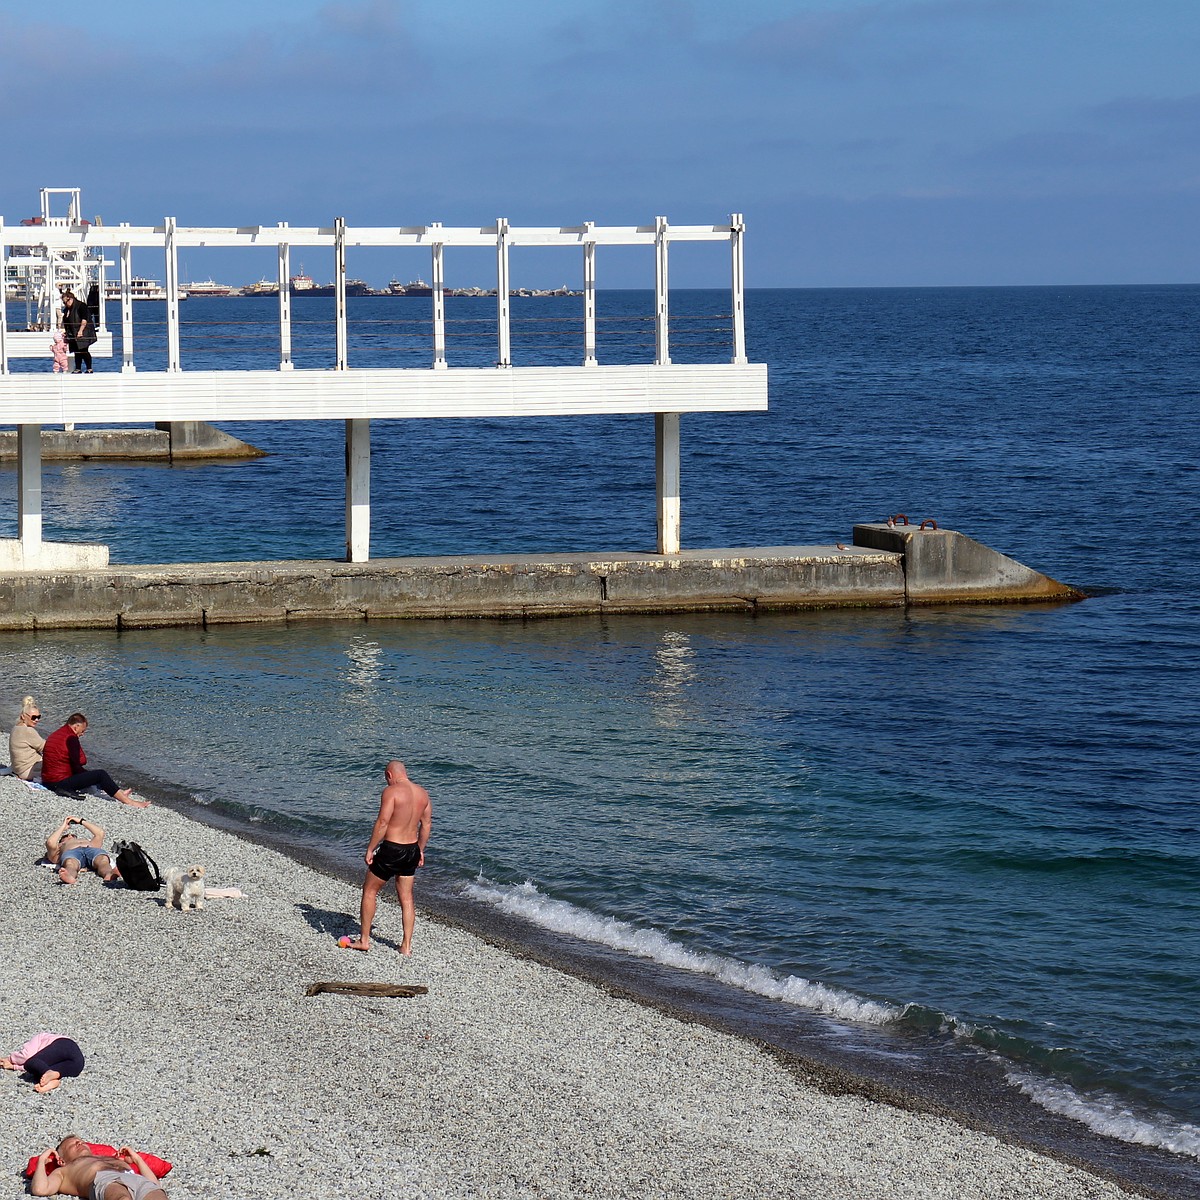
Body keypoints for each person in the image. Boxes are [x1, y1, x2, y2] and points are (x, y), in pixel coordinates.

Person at [343, 760, 432, 955]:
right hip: (411, 849)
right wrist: (421, 850)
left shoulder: (391, 792)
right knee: (407, 898)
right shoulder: (422, 793)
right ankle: (406, 946)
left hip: (392, 848)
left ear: (389, 775)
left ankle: (364, 940)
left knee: (370, 890)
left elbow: (383, 822)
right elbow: (426, 825)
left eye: (386, 779)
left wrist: (370, 848)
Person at [41, 713, 148, 807]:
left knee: (91, 776)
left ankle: (118, 792)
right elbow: (80, 762)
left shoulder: (57, 734)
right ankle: (129, 802)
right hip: (59, 783)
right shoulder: (71, 738)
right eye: (82, 731)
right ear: (76, 726)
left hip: (47, 780)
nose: (82, 734)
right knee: (100, 774)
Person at [30, 1135, 167, 1199]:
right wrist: (42, 1161)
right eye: (72, 1145)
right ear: (61, 1160)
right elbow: (40, 1189)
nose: (79, 1142)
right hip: (104, 1181)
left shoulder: (110, 1158)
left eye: (80, 1141)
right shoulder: (63, 1171)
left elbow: (154, 1184)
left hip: (135, 1178)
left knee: (158, 1195)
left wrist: (137, 1159)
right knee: (121, 1198)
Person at [44, 814, 118, 884]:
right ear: (60, 842)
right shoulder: (59, 848)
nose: (70, 835)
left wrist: (81, 821)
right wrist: (63, 827)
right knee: (70, 863)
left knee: (103, 860)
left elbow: (100, 833)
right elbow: (50, 842)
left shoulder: (89, 842)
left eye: (73, 835)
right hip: (72, 853)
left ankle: (109, 874)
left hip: (90, 849)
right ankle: (69, 876)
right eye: (66, 836)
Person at [2, 1032, 85, 1093]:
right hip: (77, 1062)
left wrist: (10, 1059)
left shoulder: (39, 1037)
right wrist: (14, 1067)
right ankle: (53, 1079)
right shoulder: (44, 1060)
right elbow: (34, 1066)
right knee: (40, 1072)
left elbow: (26, 1056)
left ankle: (50, 1074)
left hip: (64, 1044)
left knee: (31, 1063)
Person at [10, 695, 46, 781]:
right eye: (33, 717)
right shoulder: (28, 731)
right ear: (23, 716)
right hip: (28, 770)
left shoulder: (16, 728)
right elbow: (45, 747)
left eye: (38, 717)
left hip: (17, 768)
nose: (36, 720)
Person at [60, 291, 96, 374]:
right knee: (76, 351)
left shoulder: (81, 305)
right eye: (64, 302)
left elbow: (84, 319)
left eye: (67, 301)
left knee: (84, 350)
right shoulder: (67, 309)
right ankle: (78, 368)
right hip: (72, 333)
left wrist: (80, 331)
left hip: (83, 331)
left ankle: (89, 368)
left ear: (71, 298)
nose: (66, 303)